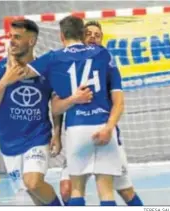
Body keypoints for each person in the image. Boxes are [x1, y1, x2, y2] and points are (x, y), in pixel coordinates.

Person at [5, 15, 125, 206]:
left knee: (76, 190)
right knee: (106, 191)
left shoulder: (53, 58)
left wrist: (12, 52)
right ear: (83, 34)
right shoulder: (102, 54)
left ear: (61, 36)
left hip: (76, 129)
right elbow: (116, 96)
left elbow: (18, 73)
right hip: (103, 125)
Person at [0, 19, 90, 206]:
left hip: (37, 137)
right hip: (9, 143)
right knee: (33, 195)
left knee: (33, 182)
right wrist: (5, 81)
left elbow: (56, 104)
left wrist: (56, 134)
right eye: (10, 37)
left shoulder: (46, 68)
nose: (12, 41)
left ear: (31, 41)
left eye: (17, 37)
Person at [59, 20, 144, 206]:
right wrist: (56, 135)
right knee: (66, 189)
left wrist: (109, 128)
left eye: (97, 35)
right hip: (77, 136)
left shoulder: (108, 64)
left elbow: (119, 103)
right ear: (80, 36)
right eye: (88, 33)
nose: (92, 37)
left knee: (124, 191)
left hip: (105, 134)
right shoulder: (65, 64)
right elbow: (56, 105)